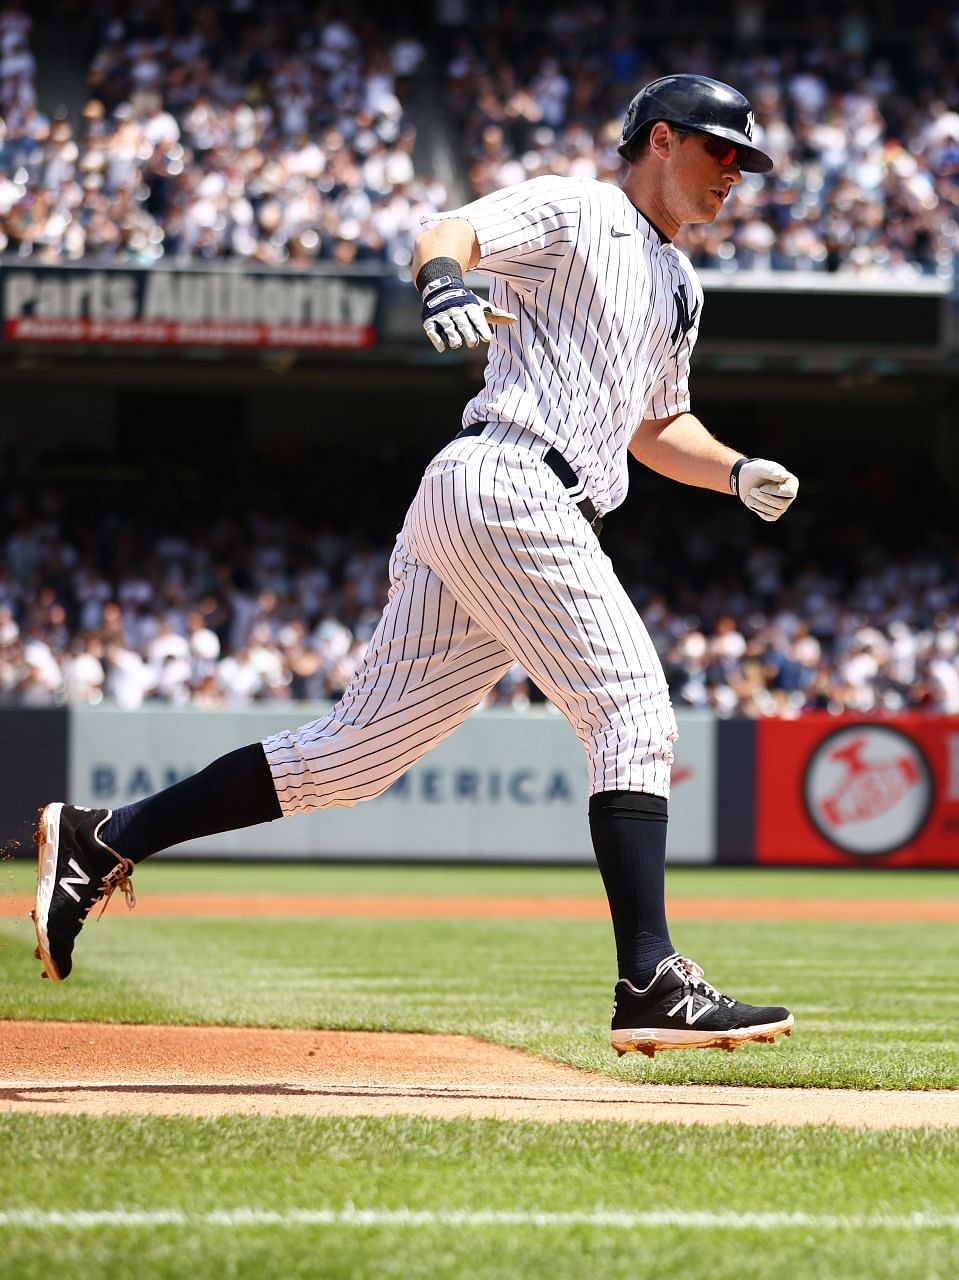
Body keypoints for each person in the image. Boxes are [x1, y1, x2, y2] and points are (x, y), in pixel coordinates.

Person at [31, 74, 800, 1060]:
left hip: (508, 505)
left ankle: (102, 840)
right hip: (511, 480)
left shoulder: (680, 284)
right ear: (662, 138)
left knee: (352, 756)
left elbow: (657, 427)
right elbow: (450, 232)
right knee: (633, 712)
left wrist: (734, 470)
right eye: (721, 151)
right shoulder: (582, 207)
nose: (736, 173)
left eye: (746, 160)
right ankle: (649, 975)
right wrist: (445, 283)